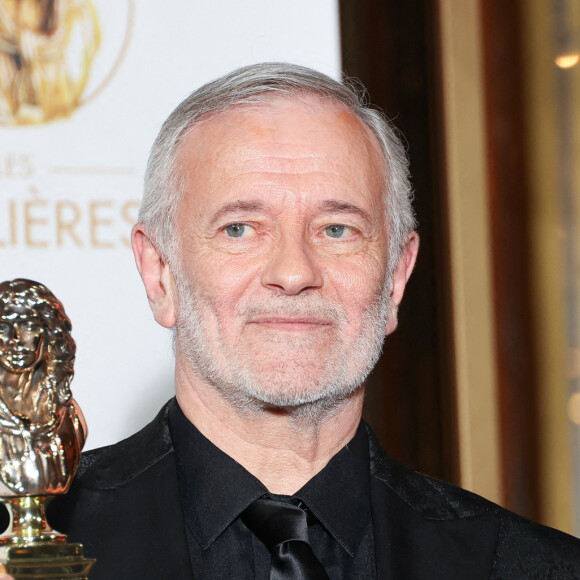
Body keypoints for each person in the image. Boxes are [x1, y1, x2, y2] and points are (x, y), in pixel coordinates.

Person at [36, 63, 580, 578]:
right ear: (159, 275)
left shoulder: (535, 567)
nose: (294, 273)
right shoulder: (23, 546)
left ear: (395, 277)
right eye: (240, 229)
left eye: (337, 229)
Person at [0, 279, 86, 497]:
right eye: (3, 327)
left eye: (28, 326)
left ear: (48, 332)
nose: (15, 339)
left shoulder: (69, 415)